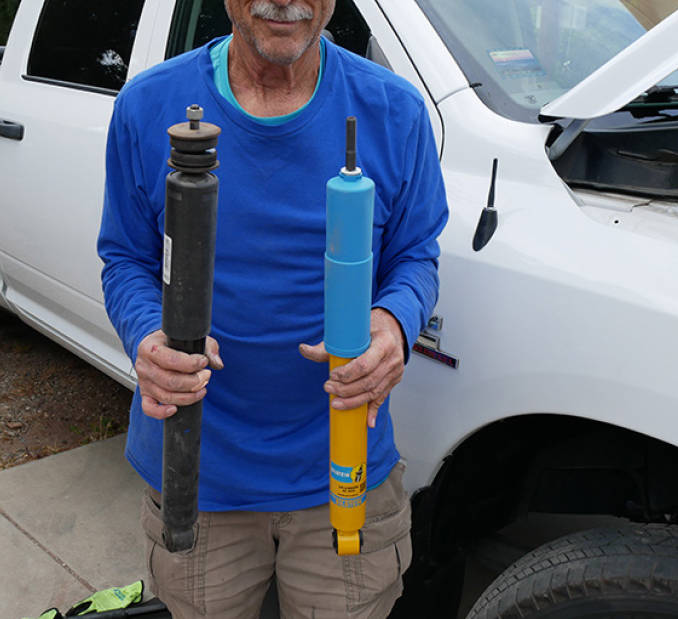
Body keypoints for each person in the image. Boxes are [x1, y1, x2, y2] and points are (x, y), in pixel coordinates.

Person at [98, 0, 448, 616]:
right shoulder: (149, 106)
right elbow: (126, 258)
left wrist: (394, 322)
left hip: (343, 471)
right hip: (198, 475)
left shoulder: (394, 112)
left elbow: (416, 253)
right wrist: (147, 335)